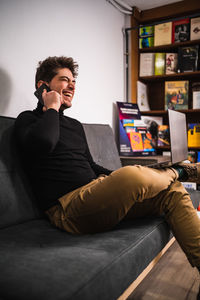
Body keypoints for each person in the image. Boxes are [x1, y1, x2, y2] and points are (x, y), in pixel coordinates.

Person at [15, 56, 200, 275]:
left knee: (172, 191)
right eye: (65, 80)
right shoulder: (27, 120)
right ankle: (180, 171)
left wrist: (119, 180)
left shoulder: (74, 126)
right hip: (68, 209)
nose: (72, 85)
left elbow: (91, 165)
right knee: (134, 176)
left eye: (74, 81)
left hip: (98, 195)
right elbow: (45, 142)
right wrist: (52, 107)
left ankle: (174, 175)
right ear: (42, 86)